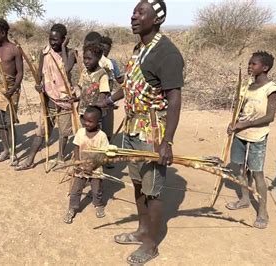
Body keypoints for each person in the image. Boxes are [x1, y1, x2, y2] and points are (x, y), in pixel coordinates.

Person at [98, 1, 184, 264]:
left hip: (153, 133)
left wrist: (167, 142)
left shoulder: (167, 53)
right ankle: (142, 230)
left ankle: (150, 245)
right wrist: (110, 100)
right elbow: (131, 84)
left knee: (153, 190)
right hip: (133, 127)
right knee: (137, 184)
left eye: (140, 12)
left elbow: (175, 98)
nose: (133, 16)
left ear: (157, 19)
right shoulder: (139, 49)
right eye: (134, 11)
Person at [225, 51, 276, 230]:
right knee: (237, 167)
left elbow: (270, 117)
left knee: (257, 173)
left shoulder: (270, 89)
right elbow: (240, 110)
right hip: (240, 133)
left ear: (265, 68)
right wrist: (234, 124)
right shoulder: (247, 86)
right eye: (249, 63)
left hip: (257, 135)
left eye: (253, 64)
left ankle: (263, 212)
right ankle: (244, 199)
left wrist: (245, 124)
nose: (250, 66)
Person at [15, 23, 77, 171]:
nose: (53, 42)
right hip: (49, 99)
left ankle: (60, 158)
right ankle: (30, 160)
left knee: (63, 132)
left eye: (57, 40)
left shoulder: (72, 53)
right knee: (41, 132)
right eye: (51, 39)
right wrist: (39, 85)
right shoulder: (45, 53)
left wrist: (63, 48)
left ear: (64, 39)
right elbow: (40, 75)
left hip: (65, 100)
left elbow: (66, 70)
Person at [63, 106, 109, 224]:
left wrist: (92, 166)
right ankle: (72, 208)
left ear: (98, 121)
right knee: (76, 189)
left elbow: (103, 155)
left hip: (96, 167)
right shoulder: (80, 132)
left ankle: (98, 204)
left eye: (90, 121)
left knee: (96, 189)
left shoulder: (102, 136)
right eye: (85, 120)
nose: (86, 123)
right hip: (81, 167)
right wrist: (78, 161)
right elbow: (76, 147)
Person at [0, 18, 23, 166]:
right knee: (1, 124)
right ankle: (6, 150)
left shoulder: (14, 49)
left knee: (9, 123)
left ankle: (13, 152)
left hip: (11, 91)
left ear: (3, 33)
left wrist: (13, 89)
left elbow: (20, 73)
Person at [77, 43, 110, 118]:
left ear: (98, 58)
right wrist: (77, 101)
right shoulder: (84, 72)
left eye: (89, 58)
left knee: (94, 129)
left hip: (95, 114)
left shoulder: (102, 74)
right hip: (83, 111)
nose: (86, 61)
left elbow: (103, 95)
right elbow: (82, 91)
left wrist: (96, 107)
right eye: (84, 58)